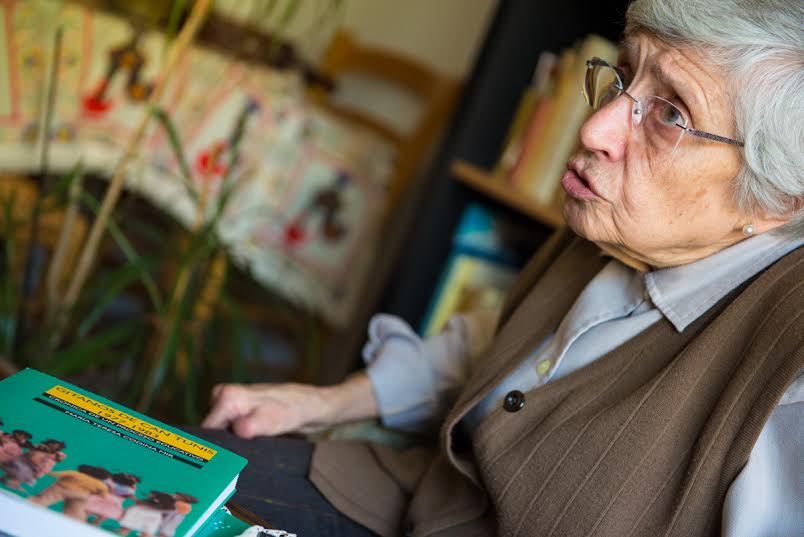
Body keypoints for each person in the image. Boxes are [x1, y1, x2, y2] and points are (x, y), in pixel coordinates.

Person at [196, 0, 803, 535]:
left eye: (671, 114)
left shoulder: (788, 373)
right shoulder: (618, 221)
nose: (594, 128)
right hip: (406, 495)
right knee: (178, 470)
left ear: (776, 199)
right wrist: (324, 404)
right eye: (622, 76)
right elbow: (502, 344)